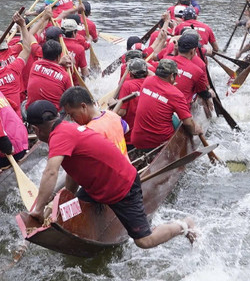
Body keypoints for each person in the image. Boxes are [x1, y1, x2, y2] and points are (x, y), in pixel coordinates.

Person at [24, 99, 197, 249]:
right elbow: (73, 171)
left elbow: (51, 172)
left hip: (122, 188)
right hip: (97, 187)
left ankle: (183, 225)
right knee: (66, 212)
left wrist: (38, 209)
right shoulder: (67, 128)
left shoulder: (59, 136)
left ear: (35, 129)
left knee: (144, 241)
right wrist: (68, 199)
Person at [129, 59, 201, 152]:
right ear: (172, 76)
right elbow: (187, 122)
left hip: (137, 140)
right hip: (159, 143)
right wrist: (196, 129)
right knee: (182, 124)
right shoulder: (175, 94)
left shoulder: (147, 81)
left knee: (174, 118)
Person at [60, 85, 128, 155]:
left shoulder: (90, 131)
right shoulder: (112, 115)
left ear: (83, 106)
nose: (72, 119)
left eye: (72, 114)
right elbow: (126, 128)